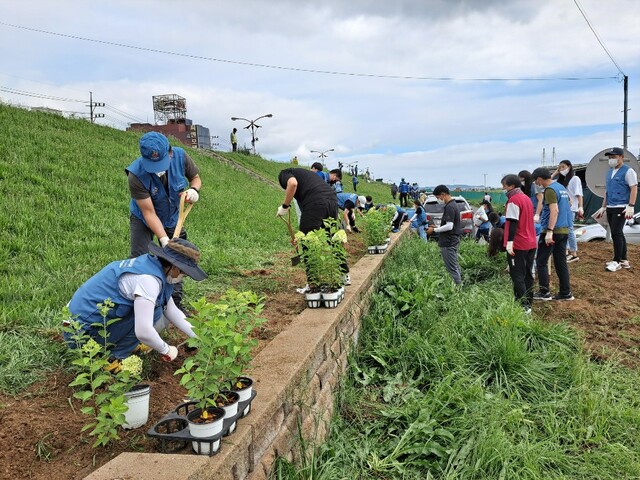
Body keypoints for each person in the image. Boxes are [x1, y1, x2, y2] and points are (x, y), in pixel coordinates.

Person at [64, 238, 208, 372]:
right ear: (174, 268)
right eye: (184, 273)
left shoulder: (154, 267)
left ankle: (121, 344)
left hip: (86, 323)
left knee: (156, 308)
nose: (184, 277)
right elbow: (143, 331)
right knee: (153, 313)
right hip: (79, 334)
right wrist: (167, 350)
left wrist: (199, 337)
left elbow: (171, 310)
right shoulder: (148, 280)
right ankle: (113, 358)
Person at [126, 131, 202, 309]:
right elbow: (149, 213)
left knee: (178, 258)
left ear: (169, 153)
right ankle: (143, 304)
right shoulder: (135, 175)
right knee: (140, 259)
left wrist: (194, 190)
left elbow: (196, 178)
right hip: (143, 219)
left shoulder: (181, 156)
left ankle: (174, 304)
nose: (157, 170)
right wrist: (163, 239)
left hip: (172, 217)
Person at [276, 168, 350, 289]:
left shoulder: (284, 174)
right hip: (332, 201)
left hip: (316, 201)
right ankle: (344, 275)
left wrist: (285, 206)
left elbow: (292, 183)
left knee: (307, 241)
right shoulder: (306, 176)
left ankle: (313, 283)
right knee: (332, 238)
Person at [531, 168, 574, 301]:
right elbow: (569, 204)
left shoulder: (550, 190)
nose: (536, 184)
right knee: (560, 262)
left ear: (539, 179)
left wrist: (549, 231)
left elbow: (554, 210)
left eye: (535, 181)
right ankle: (565, 293)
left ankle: (544, 293)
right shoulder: (560, 187)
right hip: (564, 229)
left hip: (553, 231)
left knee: (541, 261)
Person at [594, 147, 638, 272]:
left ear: (621, 157)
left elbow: (633, 188)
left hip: (622, 206)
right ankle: (624, 260)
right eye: (610, 157)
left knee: (616, 233)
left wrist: (631, 205)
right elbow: (607, 191)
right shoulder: (609, 172)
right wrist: (603, 206)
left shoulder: (628, 171)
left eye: (614, 157)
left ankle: (617, 260)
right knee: (617, 232)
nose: (611, 160)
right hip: (610, 206)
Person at [501, 174, 537, 313]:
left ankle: (523, 306)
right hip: (531, 242)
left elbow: (513, 222)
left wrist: (510, 242)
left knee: (517, 275)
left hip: (519, 243)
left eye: (504, 185)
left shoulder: (513, 200)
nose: (503, 188)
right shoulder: (526, 198)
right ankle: (529, 302)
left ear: (511, 186)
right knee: (528, 274)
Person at [426, 185, 463, 285]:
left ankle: (458, 290)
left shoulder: (450, 206)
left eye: (438, 197)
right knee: (454, 265)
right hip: (452, 240)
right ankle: (459, 285)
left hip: (448, 242)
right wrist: (436, 226)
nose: (438, 200)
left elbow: (449, 226)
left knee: (452, 268)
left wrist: (434, 230)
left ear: (443, 194)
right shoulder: (452, 204)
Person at [552, 160, 583, 263]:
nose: (561, 169)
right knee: (563, 231)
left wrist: (580, 206)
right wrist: (556, 172)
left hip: (571, 208)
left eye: (563, 167)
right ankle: (565, 251)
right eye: (559, 167)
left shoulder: (574, 179)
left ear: (569, 167)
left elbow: (579, 194)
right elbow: (547, 182)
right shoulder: (559, 180)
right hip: (562, 208)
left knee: (569, 231)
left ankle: (574, 253)